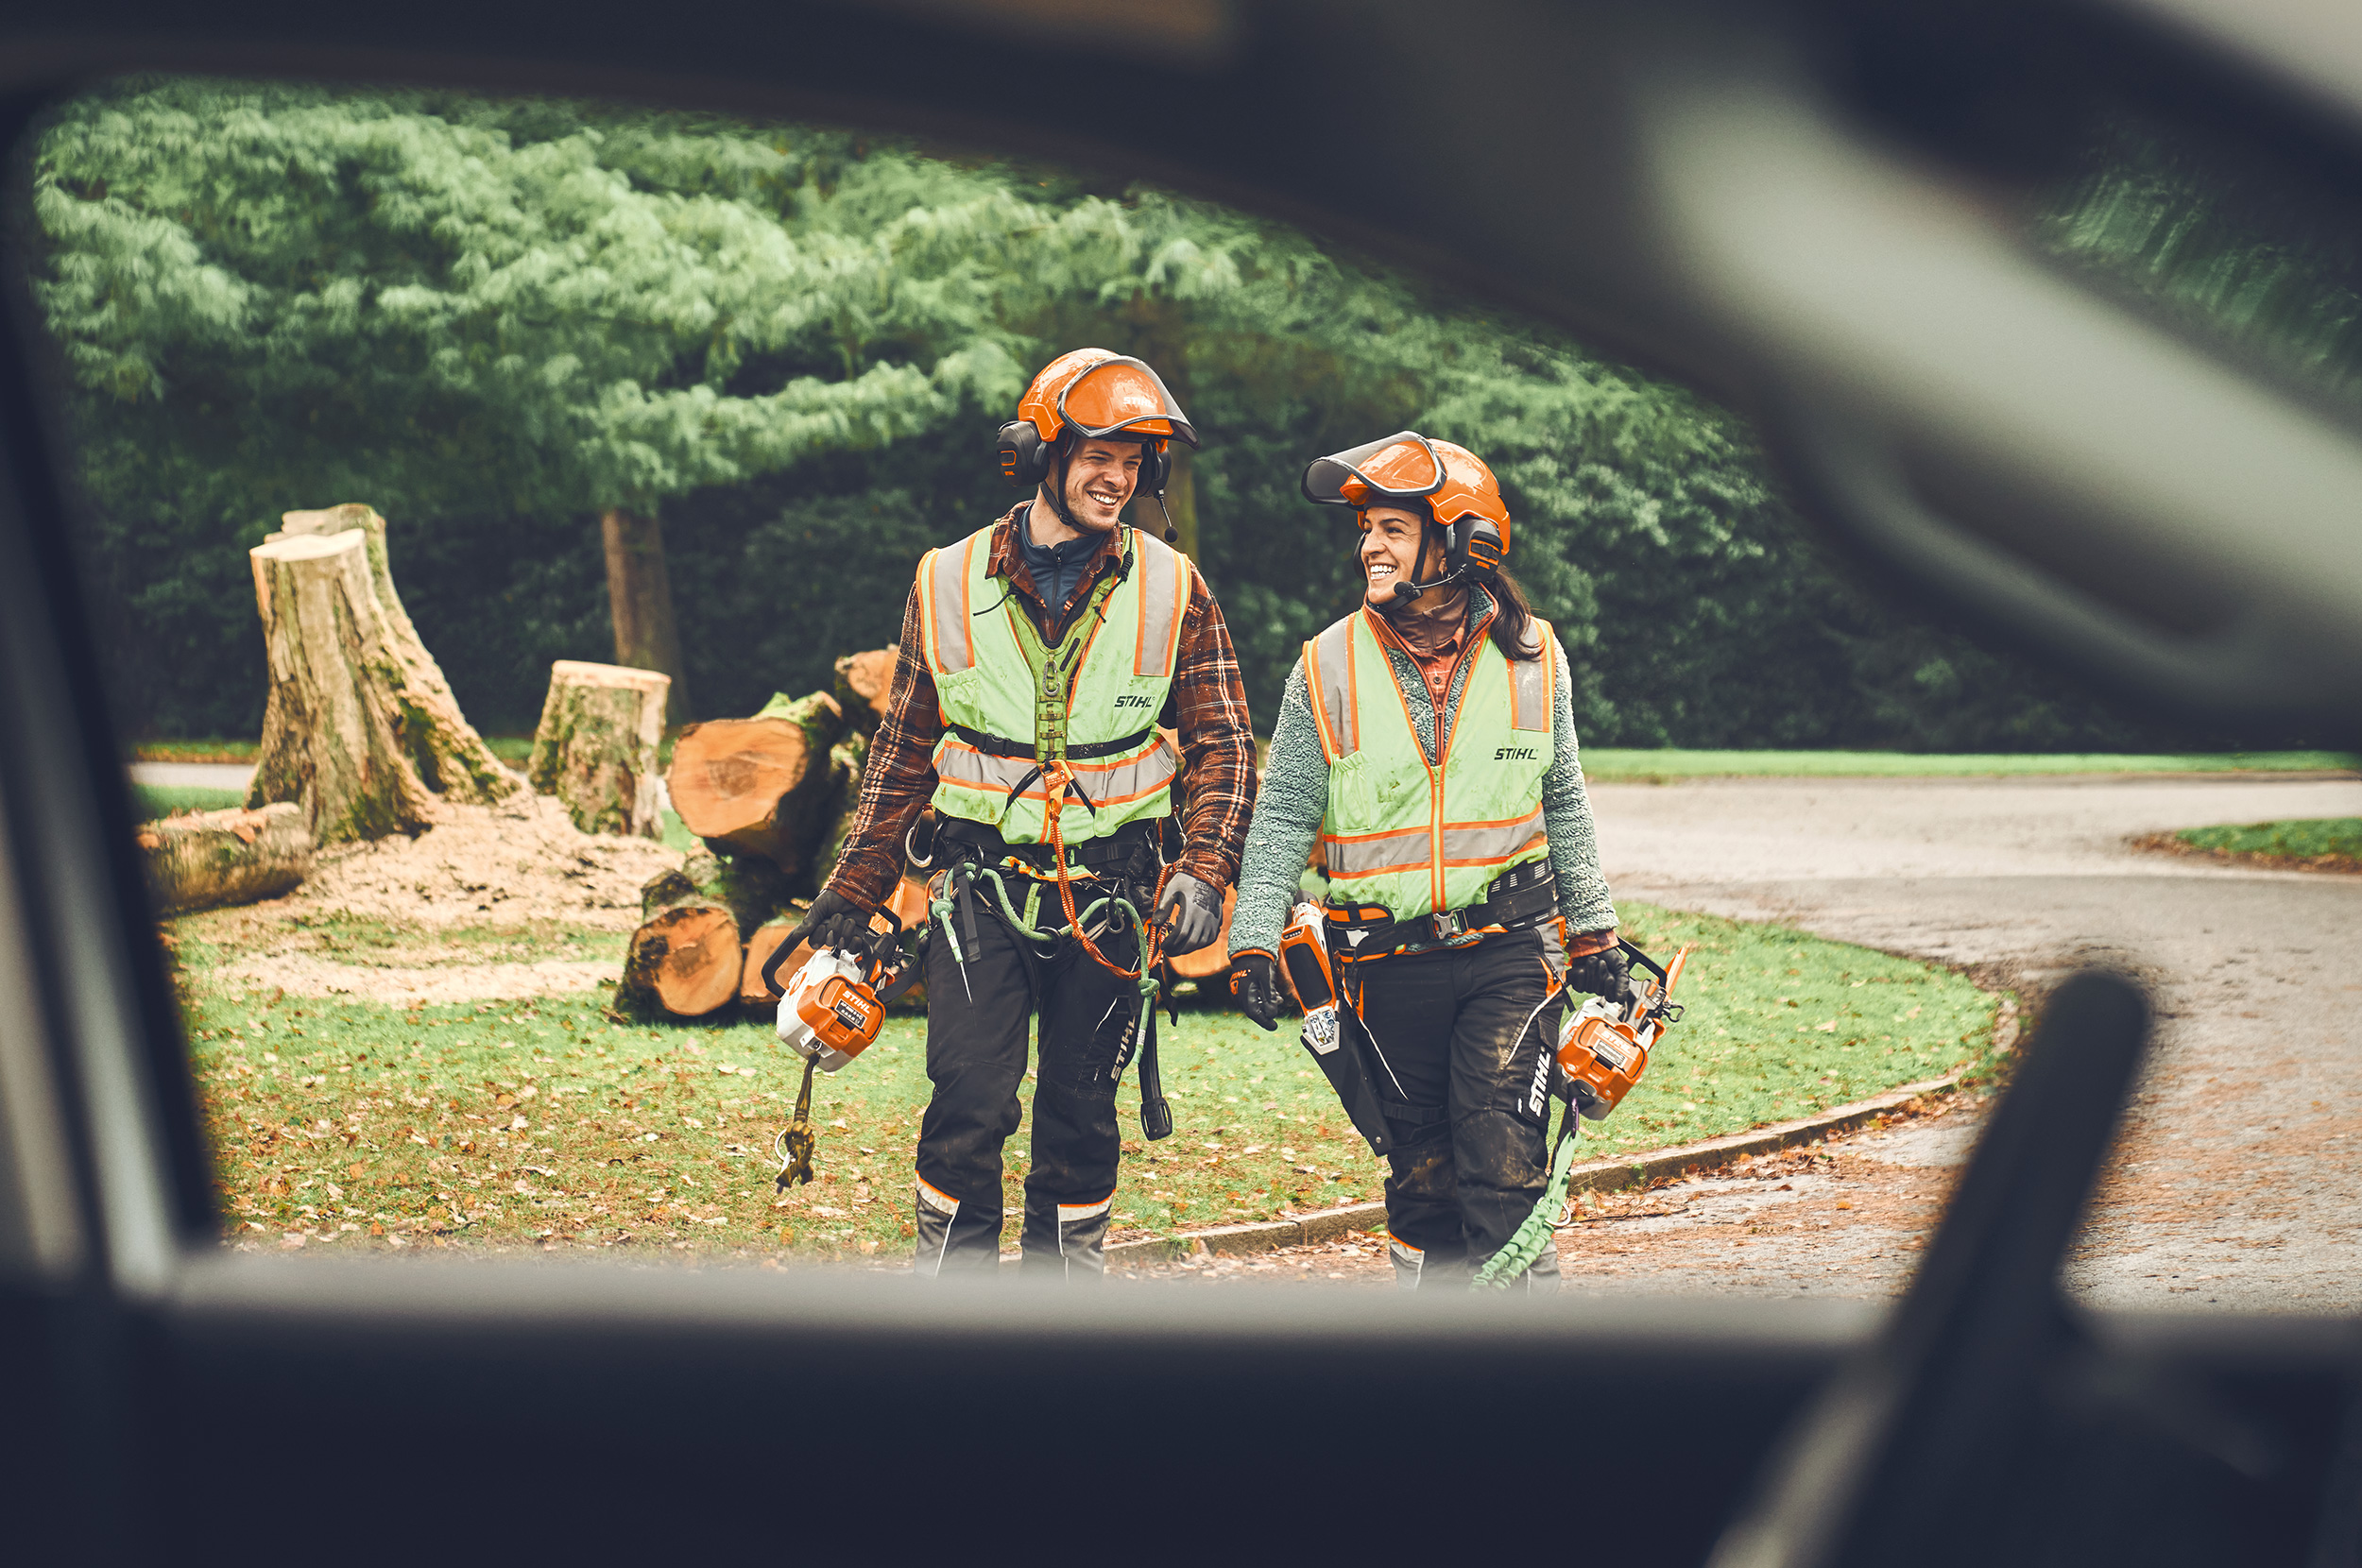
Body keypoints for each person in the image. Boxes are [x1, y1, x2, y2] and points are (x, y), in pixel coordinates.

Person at [787, 349, 1258, 1278]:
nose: (1116, 476)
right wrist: (853, 885)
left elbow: (1225, 743)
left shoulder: (1174, 587)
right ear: (1040, 452)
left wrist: (1205, 868)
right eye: (1098, 453)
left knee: (1082, 1111)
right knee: (967, 1098)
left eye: (1135, 461)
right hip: (978, 889)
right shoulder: (946, 577)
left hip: (1112, 893)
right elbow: (901, 749)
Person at [1224, 432, 1627, 1288]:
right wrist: (1255, 934)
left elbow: (1565, 800)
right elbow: (1285, 812)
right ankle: (1431, 1382)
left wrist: (1593, 932)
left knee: (1501, 1165)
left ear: (1460, 543)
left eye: (1393, 529)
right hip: (1383, 964)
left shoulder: (1535, 656)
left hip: (1510, 954)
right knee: (1422, 1184)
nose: (1369, 544)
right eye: (1365, 528)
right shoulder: (1324, 664)